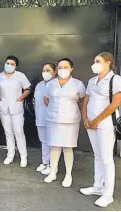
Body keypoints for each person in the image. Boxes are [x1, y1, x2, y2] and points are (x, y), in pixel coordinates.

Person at [80, 52, 121, 208]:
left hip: (105, 124)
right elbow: (86, 101)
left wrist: (97, 120)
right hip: (91, 123)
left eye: (98, 61)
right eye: (94, 61)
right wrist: (86, 119)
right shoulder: (92, 80)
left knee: (106, 158)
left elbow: (115, 104)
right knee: (97, 155)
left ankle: (108, 194)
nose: (94, 64)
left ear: (108, 62)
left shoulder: (115, 80)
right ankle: (97, 186)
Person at [43, 58, 86, 188]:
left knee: (68, 148)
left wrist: (69, 110)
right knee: (54, 147)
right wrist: (56, 109)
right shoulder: (50, 84)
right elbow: (46, 99)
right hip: (53, 119)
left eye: (65, 67)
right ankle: (53, 172)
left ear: (71, 69)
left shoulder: (78, 84)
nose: (62, 70)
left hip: (71, 121)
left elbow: (83, 101)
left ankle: (68, 175)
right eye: (60, 67)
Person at [0, 55, 31, 168]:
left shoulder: (20, 76)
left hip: (16, 107)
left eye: (12, 64)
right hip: (4, 107)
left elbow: (28, 89)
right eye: (7, 63)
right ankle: (10, 155)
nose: (9, 65)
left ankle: (23, 156)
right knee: (8, 132)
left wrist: (20, 98)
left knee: (19, 132)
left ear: (16, 66)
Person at [34, 63, 56, 174]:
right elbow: (35, 101)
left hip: (53, 119)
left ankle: (53, 165)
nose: (45, 73)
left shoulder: (56, 85)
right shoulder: (39, 85)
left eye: (48, 70)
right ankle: (45, 162)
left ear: (54, 72)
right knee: (44, 141)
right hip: (40, 117)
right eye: (44, 70)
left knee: (52, 142)